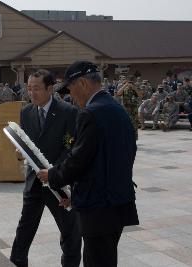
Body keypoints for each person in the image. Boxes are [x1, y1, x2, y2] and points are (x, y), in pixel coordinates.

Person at [37, 61, 139, 267]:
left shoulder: (91, 113)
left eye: (71, 89)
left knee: (96, 261)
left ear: (82, 83)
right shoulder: (116, 109)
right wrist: (75, 194)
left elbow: (79, 160)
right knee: (106, 259)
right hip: (117, 203)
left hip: (98, 208)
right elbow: (117, 157)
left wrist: (54, 175)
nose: (70, 96)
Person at [10, 69, 81, 267]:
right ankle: (17, 262)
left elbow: (71, 147)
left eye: (36, 89)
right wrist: (20, 152)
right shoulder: (26, 112)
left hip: (59, 183)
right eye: (29, 88)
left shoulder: (68, 112)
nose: (31, 93)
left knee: (69, 231)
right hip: (34, 182)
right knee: (25, 228)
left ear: (50, 89)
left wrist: (53, 172)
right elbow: (27, 143)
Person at [116, 76, 143, 140]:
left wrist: (134, 88)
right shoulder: (124, 86)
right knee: (125, 123)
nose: (131, 82)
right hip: (125, 108)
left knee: (134, 124)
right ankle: (125, 137)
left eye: (132, 81)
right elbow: (118, 93)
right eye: (129, 81)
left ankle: (133, 138)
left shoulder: (136, 87)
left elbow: (141, 96)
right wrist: (125, 85)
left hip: (134, 109)